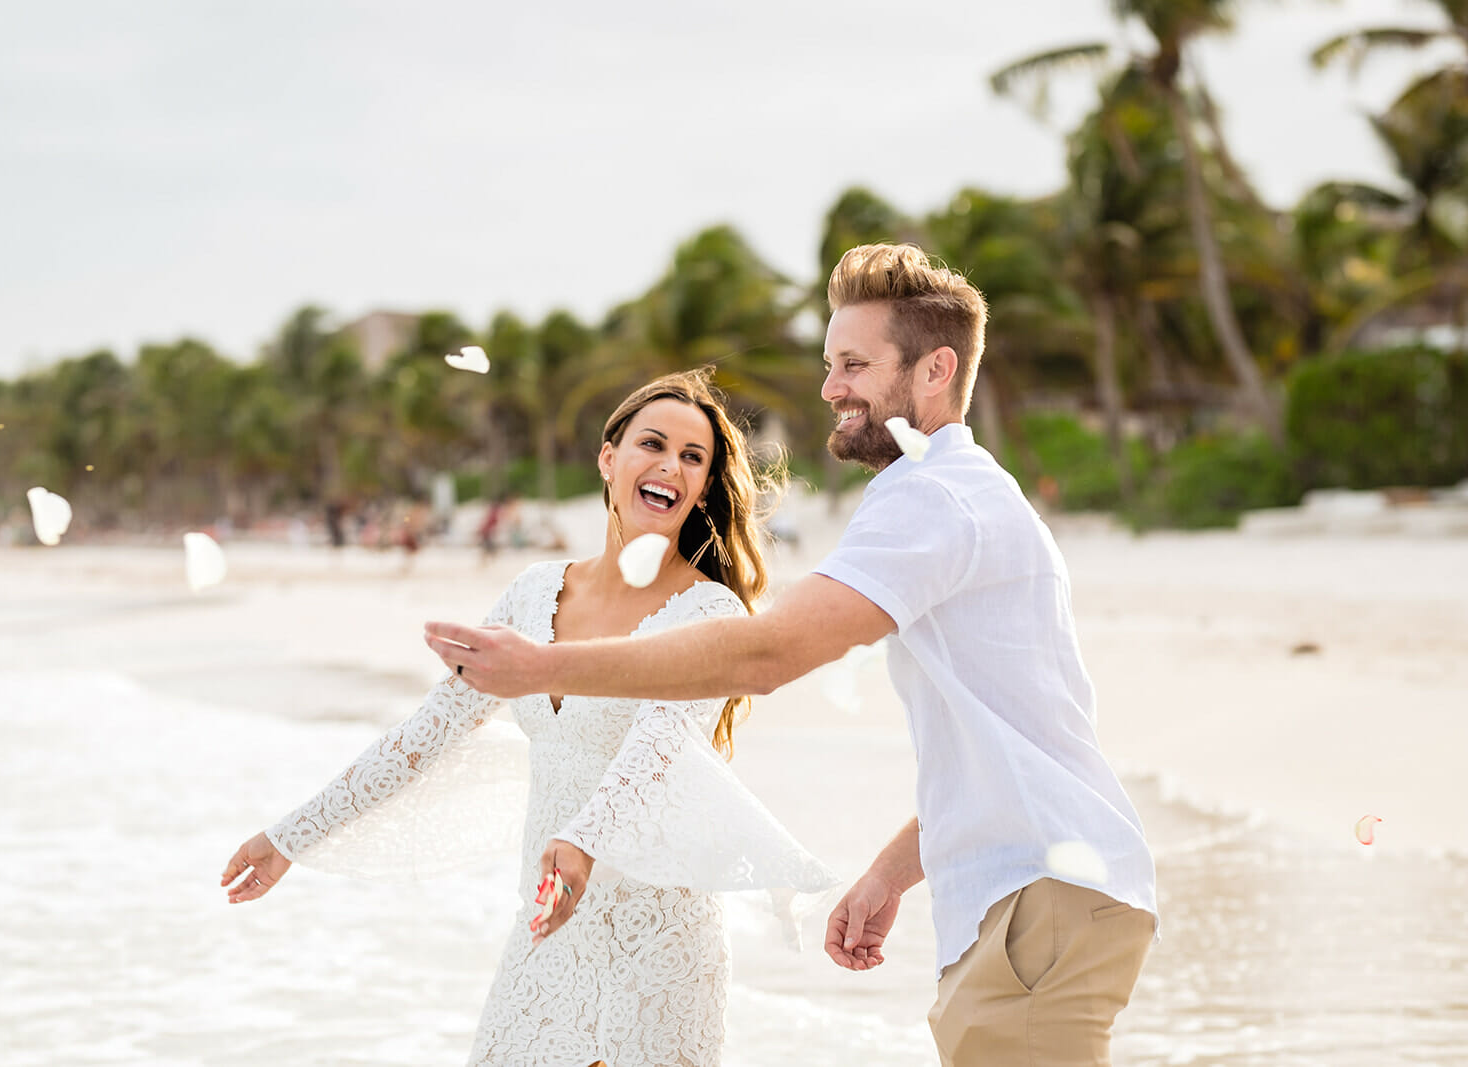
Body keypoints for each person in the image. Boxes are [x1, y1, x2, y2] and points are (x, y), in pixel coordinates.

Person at [425, 244, 1158, 1067]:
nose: (830, 387)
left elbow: (767, 652)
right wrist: (891, 872)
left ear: (933, 371)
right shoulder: (967, 493)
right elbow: (1013, 739)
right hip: (1040, 894)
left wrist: (548, 666)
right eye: (827, 362)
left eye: (853, 363)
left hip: (1041, 899)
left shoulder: (931, 496)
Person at [222, 369, 834, 1067]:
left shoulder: (709, 612)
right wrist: (291, 834)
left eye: (693, 458)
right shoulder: (532, 592)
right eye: (653, 444)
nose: (671, 465)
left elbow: (658, 752)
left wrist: (580, 843)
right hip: (548, 921)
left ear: (700, 487)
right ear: (609, 458)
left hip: (658, 938)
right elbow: (425, 735)